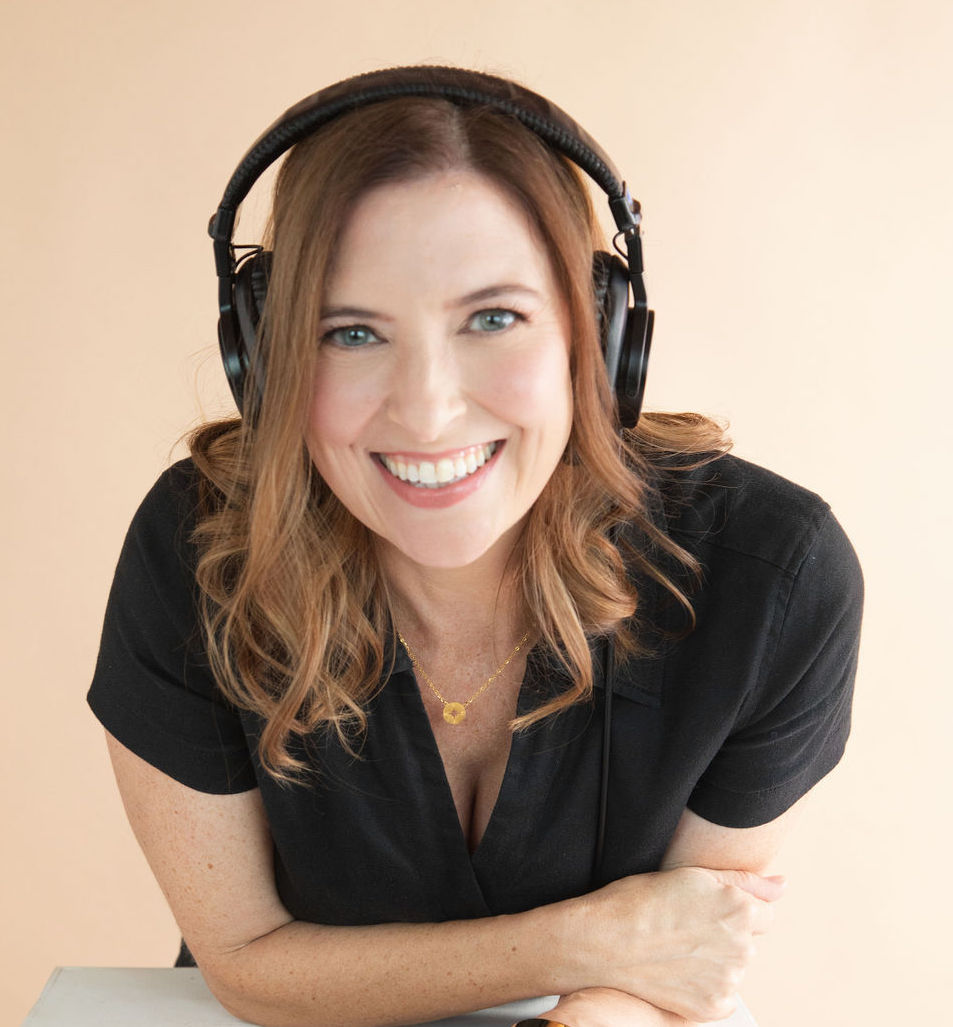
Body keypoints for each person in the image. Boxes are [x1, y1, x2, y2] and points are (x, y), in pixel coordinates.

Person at [88, 66, 863, 1027]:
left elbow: (664, 972)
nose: (427, 410)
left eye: (492, 318)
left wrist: (599, 973)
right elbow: (244, 964)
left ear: (599, 334)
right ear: (266, 357)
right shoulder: (199, 547)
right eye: (351, 332)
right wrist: (577, 939)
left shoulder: (772, 573)